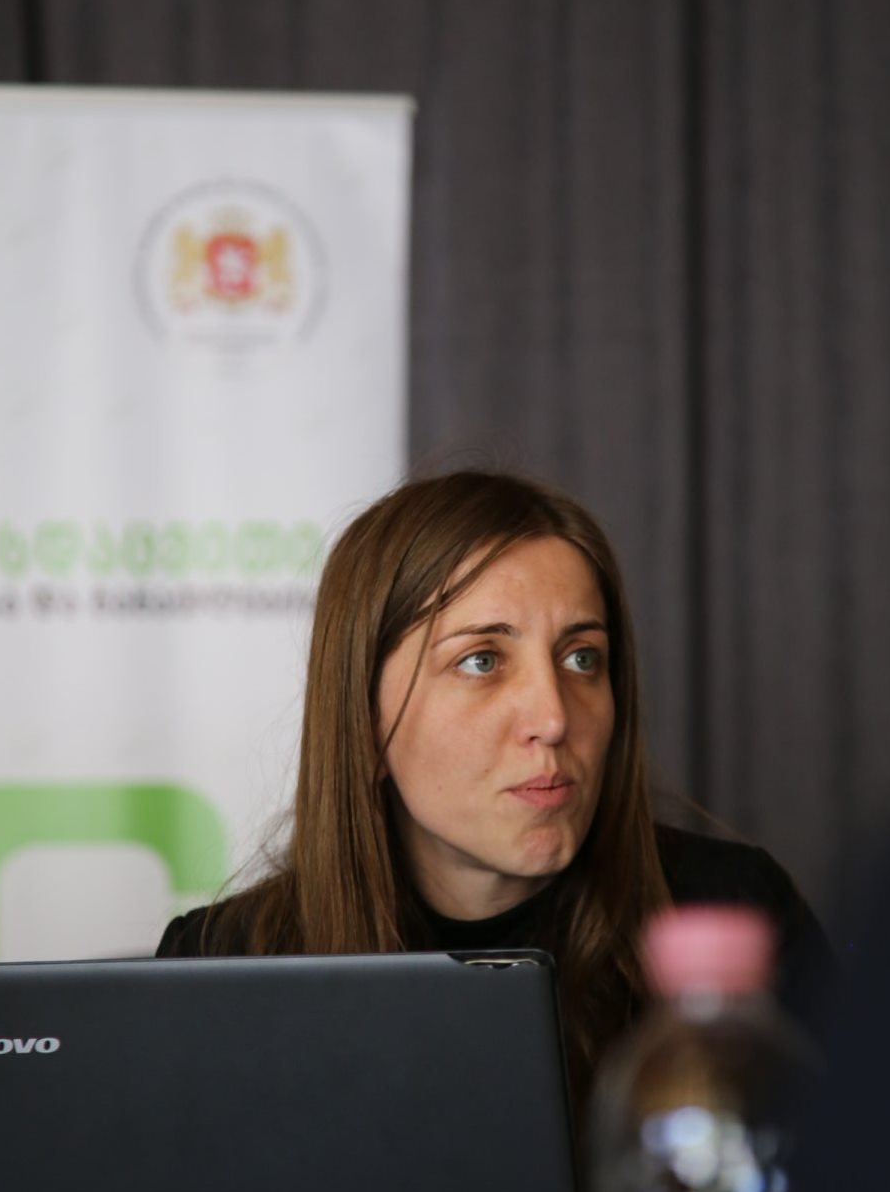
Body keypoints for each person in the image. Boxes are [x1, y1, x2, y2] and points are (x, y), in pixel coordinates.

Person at [157, 469, 832, 1095]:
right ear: (363, 723)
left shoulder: (734, 916)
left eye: (582, 658)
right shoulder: (219, 967)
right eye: (481, 660)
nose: (553, 717)